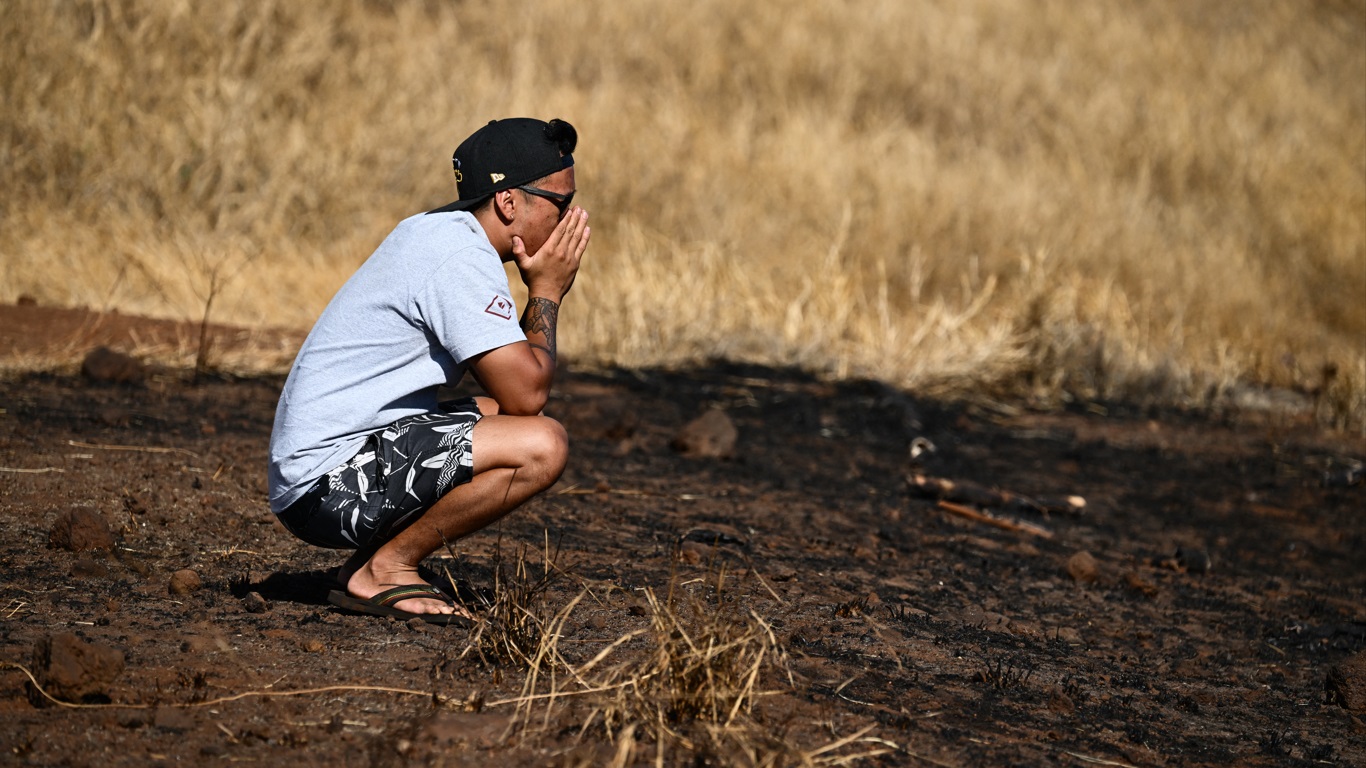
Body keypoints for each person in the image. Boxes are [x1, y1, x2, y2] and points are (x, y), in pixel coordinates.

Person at [267, 117, 590, 625]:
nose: (572, 220)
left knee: (498, 414)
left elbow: (513, 395)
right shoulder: (457, 257)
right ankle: (387, 568)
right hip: (323, 487)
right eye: (561, 205)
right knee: (544, 444)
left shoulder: (441, 234)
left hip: (323, 467)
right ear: (509, 203)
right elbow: (530, 393)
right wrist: (547, 293)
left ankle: (369, 565)